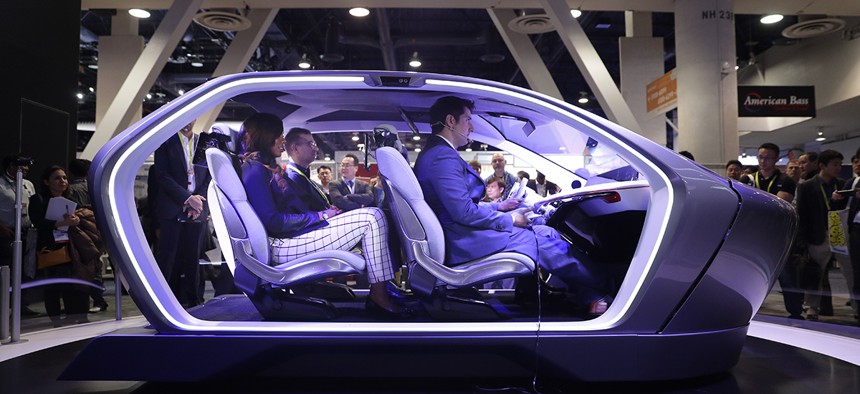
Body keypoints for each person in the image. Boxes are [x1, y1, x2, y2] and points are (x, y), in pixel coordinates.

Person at [414, 96, 613, 314]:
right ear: (451, 121)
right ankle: (613, 286)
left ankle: (592, 297)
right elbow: (463, 212)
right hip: (463, 240)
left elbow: (459, 206)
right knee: (543, 240)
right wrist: (510, 219)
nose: (471, 126)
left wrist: (499, 207)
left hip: (460, 233)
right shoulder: (442, 156)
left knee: (546, 233)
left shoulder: (435, 154)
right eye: (468, 119)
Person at [238, 113, 405, 317]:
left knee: (375, 215)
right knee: (372, 218)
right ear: (265, 136)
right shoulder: (255, 171)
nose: (283, 141)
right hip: (281, 247)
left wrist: (323, 216)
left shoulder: (261, 169)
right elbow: (274, 222)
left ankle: (381, 291)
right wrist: (320, 217)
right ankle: (380, 296)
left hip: (289, 239)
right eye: (279, 135)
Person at [30, 166, 103, 326]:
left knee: (76, 282)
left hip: (72, 247)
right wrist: (60, 223)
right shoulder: (38, 200)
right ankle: (56, 320)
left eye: (64, 178)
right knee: (53, 287)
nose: (62, 181)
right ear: (46, 182)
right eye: (57, 178)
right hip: (50, 248)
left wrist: (77, 220)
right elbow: (38, 222)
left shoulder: (72, 199)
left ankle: (77, 316)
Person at [152, 120, 211, 308]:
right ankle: (162, 304)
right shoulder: (165, 141)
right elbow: (162, 175)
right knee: (167, 258)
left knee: (193, 259)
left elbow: (208, 175)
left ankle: (195, 303)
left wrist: (198, 201)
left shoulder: (203, 142)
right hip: (172, 207)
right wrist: (187, 199)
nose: (187, 122)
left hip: (197, 209)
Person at [796, 150, 847, 321]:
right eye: (835, 164)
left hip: (839, 233)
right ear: (822, 166)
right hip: (818, 235)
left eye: (840, 165)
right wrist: (802, 240)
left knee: (849, 272)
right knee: (815, 273)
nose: (838, 168)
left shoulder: (842, 184)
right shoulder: (807, 186)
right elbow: (802, 214)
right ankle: (812, 307)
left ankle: (855, 307)